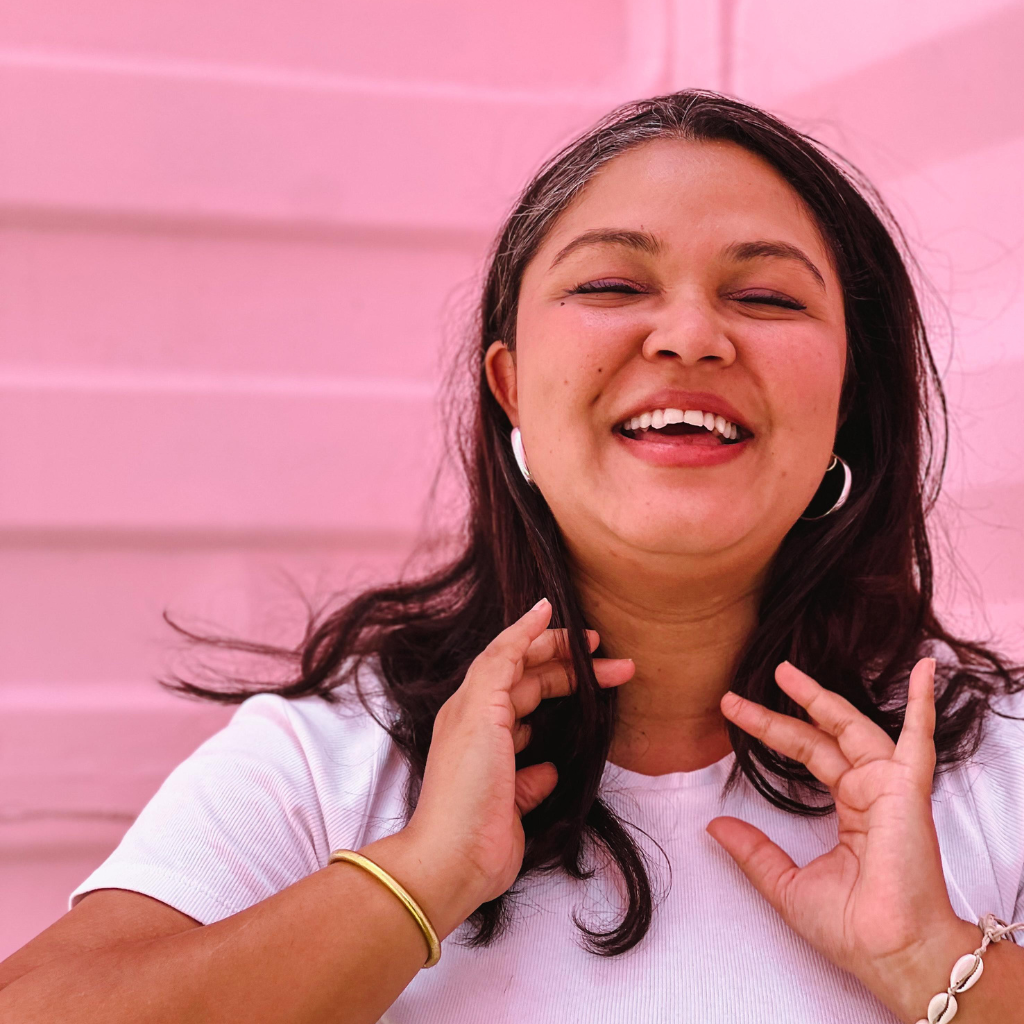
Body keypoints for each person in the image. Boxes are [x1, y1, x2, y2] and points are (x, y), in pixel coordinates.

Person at [1, 89, 1022, 1024]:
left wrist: (930, 956)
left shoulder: (996, 769)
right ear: (511, 386)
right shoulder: (330, 766)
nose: (689, 334)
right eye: (615, 282)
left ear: (849, 399)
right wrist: (421, 874)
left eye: (764, 299)